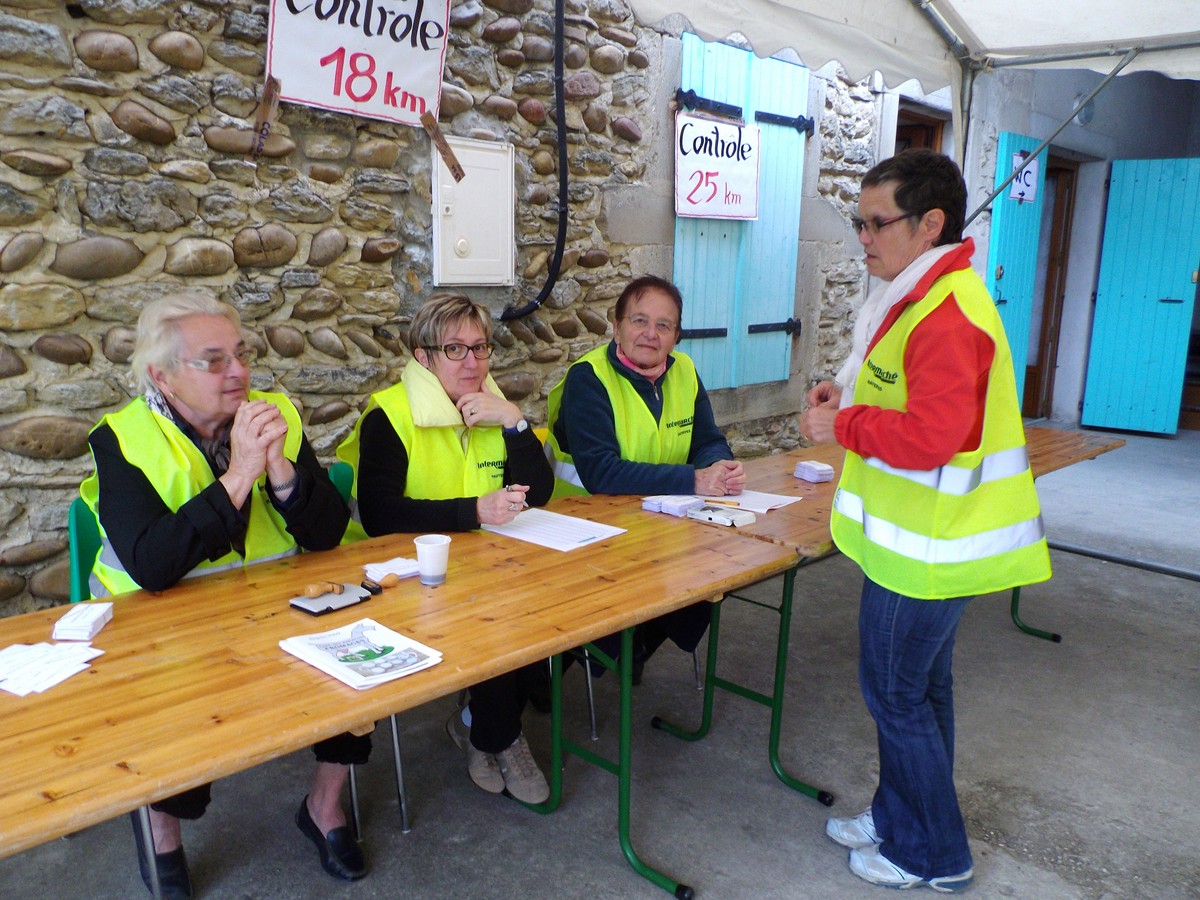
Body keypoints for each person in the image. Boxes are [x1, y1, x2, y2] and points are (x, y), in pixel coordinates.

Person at [799, 149, 1052, 893]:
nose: (863, 239)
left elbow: (929, 437)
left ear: (930, 223)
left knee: (896, 695)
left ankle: (932, 854)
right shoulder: (918, 294)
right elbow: (891, 381)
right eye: (858, 222)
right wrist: (845, 391)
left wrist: (844, 424)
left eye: (877, 223)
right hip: (917, 539)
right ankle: (899, 817)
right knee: (921, 689)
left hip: (932, 548)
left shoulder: (945, 313)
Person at [80, 293, 370, 898]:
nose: (238, 372)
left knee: (359, 658)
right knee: (175, 711)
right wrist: (238, 475)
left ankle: (324, 805)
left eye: (240, 355)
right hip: (158, 622)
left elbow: (323, 537)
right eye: (213, 362)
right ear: (162, 376)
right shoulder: (122, 439)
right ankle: (161, 832)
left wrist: (283, 473)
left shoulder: (272, 412)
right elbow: (153, 564)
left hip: (271, 606)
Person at [336, 293, 553, 804]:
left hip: (492, 566)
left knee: (560, 619)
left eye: (480, 348)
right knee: (500, 625)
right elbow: (380, 514)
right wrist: (472, 511)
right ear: (423, 356)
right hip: (405, 579)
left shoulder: (495, 405)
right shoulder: (388, 415)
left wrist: (515, 424)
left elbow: (537, 493)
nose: (473, 363)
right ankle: (501, 737)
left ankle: (480, 725)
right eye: (455, 349)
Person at [545, 274, 745, 682]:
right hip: (582, 536)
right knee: (652, 592)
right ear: (616, 326)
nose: (650, 335)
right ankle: (571, 665)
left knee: (710, 576)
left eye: (663, 325)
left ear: (677, 337)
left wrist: (718, 465)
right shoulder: (590, 379)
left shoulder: (684, 370)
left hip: (653, 525)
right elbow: (601, 472)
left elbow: (706, 438)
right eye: (639, 321)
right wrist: (695, 480)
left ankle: (629, 648)